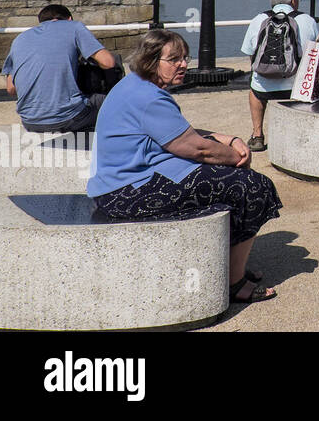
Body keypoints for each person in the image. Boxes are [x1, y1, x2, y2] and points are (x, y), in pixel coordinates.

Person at [88, 29, 282, 304]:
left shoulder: (136, 86)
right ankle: (234, 282)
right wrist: (236, 157)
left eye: (185, 58)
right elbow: (196, 148)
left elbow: (179, 133)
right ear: (151, 61)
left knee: (235, 181)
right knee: (254, 187)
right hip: (128, 194)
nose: (183, 64)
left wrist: (228, 139)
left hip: (126, 183)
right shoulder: (148, 98)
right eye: (174, 59)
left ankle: (228, 263)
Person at [2, 4, 117, 132]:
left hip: (30, 121)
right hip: (69, 117)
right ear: (69, 19)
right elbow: (108, 62)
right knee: (116, 101)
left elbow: (11, 88)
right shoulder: (73, 26)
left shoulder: (19, 39)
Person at [239, 0, 319, 150]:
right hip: (296, 89)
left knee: (254, 88)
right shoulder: (307, 20)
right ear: (293, 1)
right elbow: (315, 53)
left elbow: (250, 53)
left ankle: (257, 136)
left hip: (263, 88)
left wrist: (262, 72)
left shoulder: (258, 19)